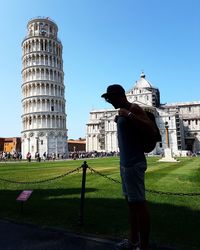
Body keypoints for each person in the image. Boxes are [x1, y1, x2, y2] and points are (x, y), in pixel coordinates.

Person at [101, 84, 156, 250]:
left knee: (139, 205)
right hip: (125, 164)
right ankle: (133, 241)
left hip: (134, 163)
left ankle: (144, 246)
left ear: (120, 95)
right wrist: (122, 118)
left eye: (111, 98)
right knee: (131, 206)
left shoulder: (134, 108)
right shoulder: (121, 112)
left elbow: (150, 128)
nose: (110, 102)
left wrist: (129, 115)